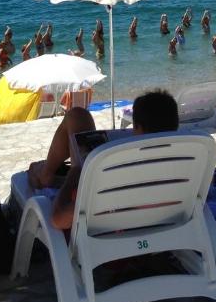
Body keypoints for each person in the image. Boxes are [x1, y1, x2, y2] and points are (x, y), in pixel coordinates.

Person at [40, 90, 180, 229]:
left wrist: (73, 174)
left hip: (108, 232)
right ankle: (48, 175)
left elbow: (58, 219)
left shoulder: (119, 176)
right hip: (164, 225)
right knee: (78, 115)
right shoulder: (185, 166)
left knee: (76, 117)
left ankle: (46, 175)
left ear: (138, 128)